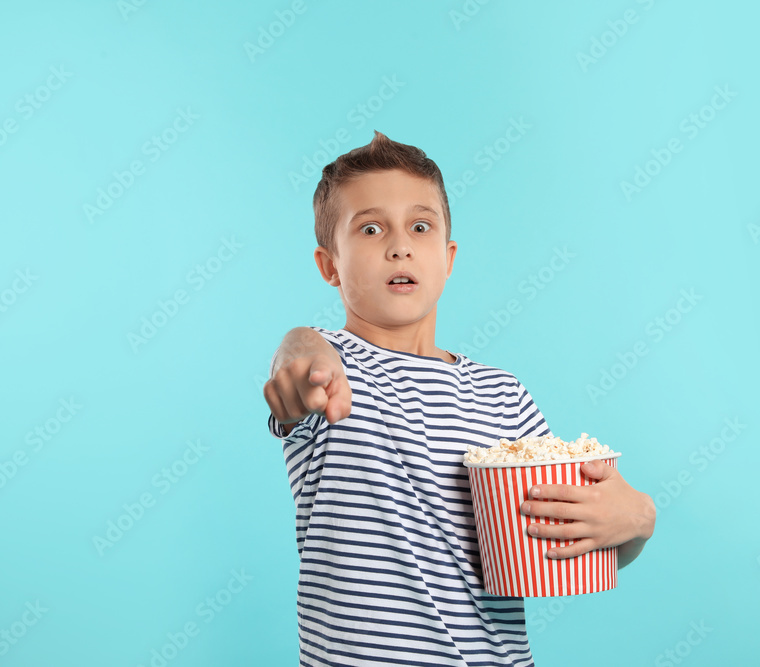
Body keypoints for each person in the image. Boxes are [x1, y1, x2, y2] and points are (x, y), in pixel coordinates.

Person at [263, 131, 655, 666]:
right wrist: (298, 354)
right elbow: (298, 358)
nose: (399, 245)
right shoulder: (330, 375)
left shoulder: (504, 396)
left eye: (419, 227)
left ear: (447, 258)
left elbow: (568, 535)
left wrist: (636, 523)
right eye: (371, 228)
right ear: (329, 265)